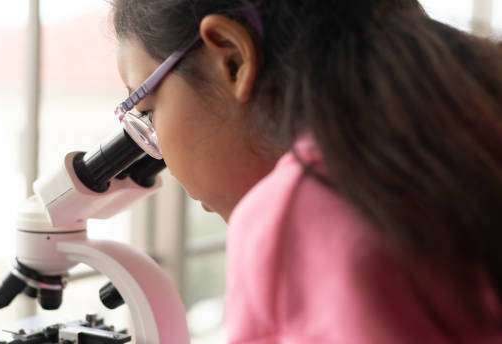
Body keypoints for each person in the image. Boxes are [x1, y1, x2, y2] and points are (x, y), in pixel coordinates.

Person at [111, 0, 502, 342]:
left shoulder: (298, 213)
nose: (158, 151)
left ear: (232, 58)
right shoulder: (463, 133)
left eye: (147, 112)